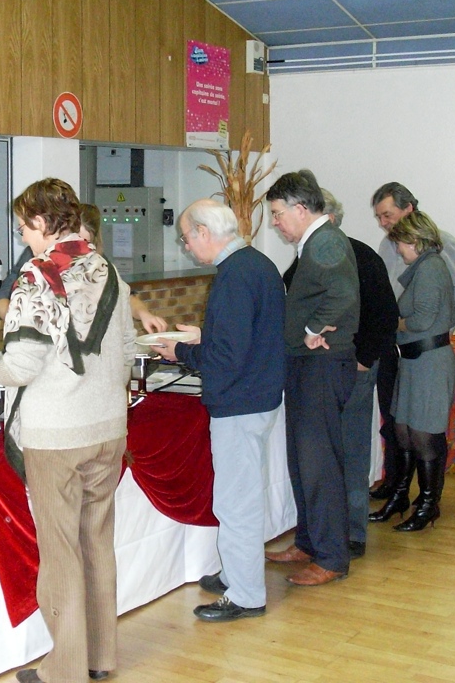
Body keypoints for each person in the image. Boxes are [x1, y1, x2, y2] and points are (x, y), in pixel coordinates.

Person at [0, 179, 135, 683]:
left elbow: (20, 366)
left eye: (23, 227)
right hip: (108, 429)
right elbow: (126, 349)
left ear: (41, 223)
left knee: (60, 554)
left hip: (57, 436)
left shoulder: (38, 275)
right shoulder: (106, 268)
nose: (23, 237)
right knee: (97, 544)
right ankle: (100, 657)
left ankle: (64, 670)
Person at [152, 199, 286, 622]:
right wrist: (205, 336)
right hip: (258, 395)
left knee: (236, 502)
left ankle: (246, 595)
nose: (187, 246)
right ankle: (234, 573)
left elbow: (226, 357)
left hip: (239, 402)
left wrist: (182, 352)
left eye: (186, 238)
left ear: (204, 233)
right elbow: (248, 333)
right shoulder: (256, 264)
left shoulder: (233, 275)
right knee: (240, 495)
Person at [263, 170, 359, 587]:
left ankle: (331, 557)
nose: (274, 223)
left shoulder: (326, 242)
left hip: (321, 364)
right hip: (307, 364)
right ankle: (308, 542)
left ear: (301, 209)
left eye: (277, 214)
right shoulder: (316, 242)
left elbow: (343, 294)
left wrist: (310, 330)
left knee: (319, 465)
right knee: (303, 462)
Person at [368, 182, 455, 503]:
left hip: (423, 344)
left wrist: (443, 322)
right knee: (397, 420)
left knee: (423, 426)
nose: (383, 223)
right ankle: (396, 485)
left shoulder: (440, 243)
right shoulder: (387, 244)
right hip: (394, 343)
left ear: (409, 209)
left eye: (388, 215)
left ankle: (425, 498)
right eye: (379, 217)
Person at [314, 189, 398, 558]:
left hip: (354, 368)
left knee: (352, 451)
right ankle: (322, 531)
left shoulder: (362, 256)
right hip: (320, 368)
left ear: (330, 219)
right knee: (323, 454)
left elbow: (385, 315)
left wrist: (364, 359)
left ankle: (353, 533)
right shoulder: (308, 258)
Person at [369, 211, 455, 532]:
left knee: (423, 434)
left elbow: (422, 320)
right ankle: (401, 497)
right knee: (404, 430)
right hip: (413, 361)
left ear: (416, 241)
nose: (398, 250)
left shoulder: (431, 267)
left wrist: (393, 323)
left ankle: (429, 504)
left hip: (429, 362)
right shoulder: (423, 267)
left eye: (401, 244)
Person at [0, 203, 167, 334]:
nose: (78, 249)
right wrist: (24, 325)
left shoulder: (95, 260)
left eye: (84, 242)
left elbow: (122, 294)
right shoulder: (35, 255)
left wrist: (144, 314)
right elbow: (1, 300)